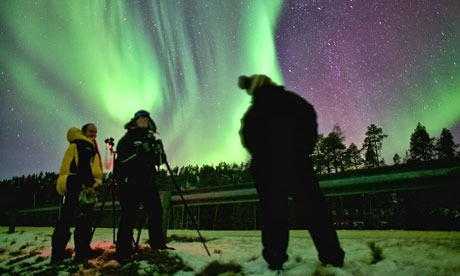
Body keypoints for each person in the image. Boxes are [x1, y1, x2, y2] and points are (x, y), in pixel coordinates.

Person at [238, 74, 345, 270]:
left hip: (267, 170)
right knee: (315, 210)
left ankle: (275, 257)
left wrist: (263, 156)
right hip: (297, 165)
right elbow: (310, 124)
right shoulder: (294, 102)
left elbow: (247, 137)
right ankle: (332, 256)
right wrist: (301, 151)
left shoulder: (254, 112)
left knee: (273, 214)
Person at [115, 110, 169, 263]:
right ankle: (123, 252)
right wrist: (139, 153)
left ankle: (157, 245)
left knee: (156, 212)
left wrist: (159, 152)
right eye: (141, 119)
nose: (144, 121)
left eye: (146, 119)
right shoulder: (128, 138)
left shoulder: (151, 139)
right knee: (128, 216)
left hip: (148, 182)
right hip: (131, 183)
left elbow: (159, 161)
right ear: (135, 121)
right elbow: (122, 161)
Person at [51, 123, 103, 263]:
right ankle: (81, 253)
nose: (94, 134)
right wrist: (90, 185)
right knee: (82, 221)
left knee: (67, 219)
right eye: (91, 131)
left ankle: (58, 254)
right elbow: (82, 168)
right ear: (84, 132)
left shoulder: (83, 146)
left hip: (74, 185)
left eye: (95, 132)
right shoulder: (82, 146)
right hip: (79, 187)